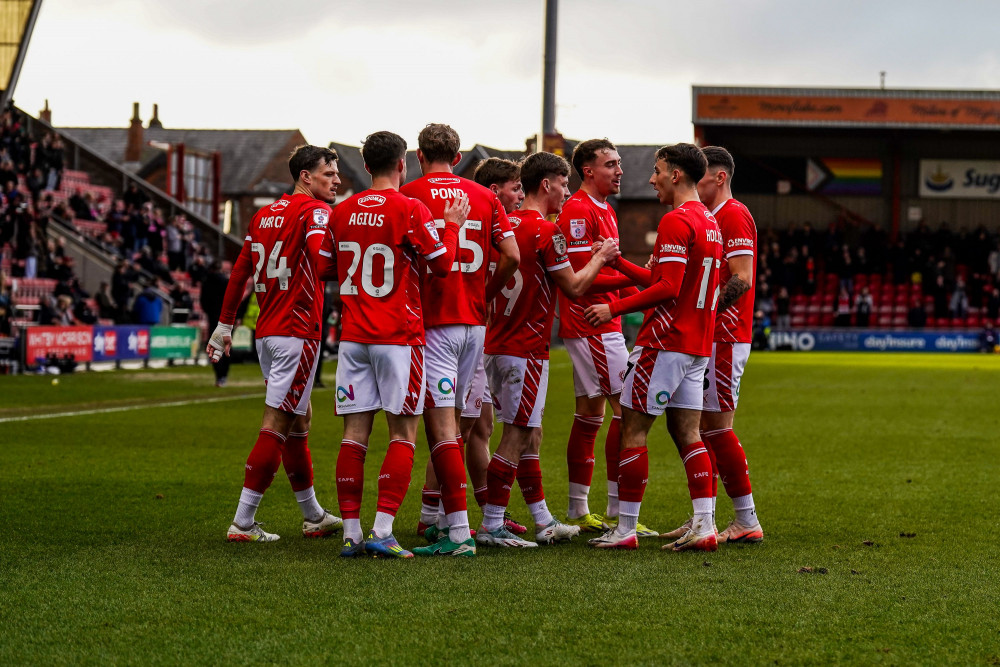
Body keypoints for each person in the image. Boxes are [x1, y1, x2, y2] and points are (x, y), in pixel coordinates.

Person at [331, 131, 467, 558]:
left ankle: (351, 533)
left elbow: (325, 268)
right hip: (398, 338)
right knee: (403, 435)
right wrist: (451, 226)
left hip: (353, 337)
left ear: (366, 166)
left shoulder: (341, 210)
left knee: (354, 435)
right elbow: (443, 265)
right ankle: (383, 530)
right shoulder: (410, 207)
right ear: (403, 164)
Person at [583, 143, 722, 552]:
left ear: (676, 175)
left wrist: (612, 307)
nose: (651, 178)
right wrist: (619, 264)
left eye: (658, 171)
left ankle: (625, 528)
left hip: (664, 341)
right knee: (689, 433)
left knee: (633, 429)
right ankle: (705, 525)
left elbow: (667, 287)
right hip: (697, 345)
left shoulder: (676, 221)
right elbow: (660, 277)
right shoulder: (710, 221)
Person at [478, 151, 620, 547]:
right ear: (547, 184)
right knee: (517, 434)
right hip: (525, 348)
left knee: (531, 434)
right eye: (563, 184)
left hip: (495, 342)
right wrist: (600, 257)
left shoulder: (501, 225)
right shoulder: (545, 231)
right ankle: (492, 523)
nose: (566, 192)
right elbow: (575, 287)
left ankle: (542, 519)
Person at [207, 144, 343, 543]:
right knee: (278, 423)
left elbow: (240, 273)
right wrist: (363, 263)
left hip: (269, 333)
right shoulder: (316, 212)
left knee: (300, 421)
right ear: (305, 176)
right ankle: (243, 522)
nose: (336, 180)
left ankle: (313, 515)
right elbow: (322, 261)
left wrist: (224, 325)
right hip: (297, 332)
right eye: (328, 173)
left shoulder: (263, 216)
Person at [399, 124, 519, 557]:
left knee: (442, 426)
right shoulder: (483, 195)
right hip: (474, 322)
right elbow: (513, 256)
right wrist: (484, 292)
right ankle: (436, 519)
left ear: (418, 154)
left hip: (432, 323)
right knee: (457, 424)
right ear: (458, 153)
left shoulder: (408, 193)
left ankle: (458, 532)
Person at [660, 146, 763, 545]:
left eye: (701, 176)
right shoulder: (713, 218)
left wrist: (703, 308)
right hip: (714, 334)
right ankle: (707, 517)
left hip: (726, 334)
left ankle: (746, 518)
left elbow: (743, 277)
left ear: (719, 178)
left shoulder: (733, 214)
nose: (694, 182)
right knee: (704, 427)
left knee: (716, 428)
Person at [555, 139, 655, 536]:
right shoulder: (578, 211)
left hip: (602, 322)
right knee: (627, 411)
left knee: (589, 415)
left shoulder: (606, 210)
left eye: (619, 163)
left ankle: (579, 508)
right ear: (588, 171)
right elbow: (581, 279)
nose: (619, 170)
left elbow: (610, 273)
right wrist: (642, 289)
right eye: (610, 164)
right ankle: (617, 510)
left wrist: (642, 299)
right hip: (592, 323)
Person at [201, 262, 232, 387]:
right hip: (226, 318)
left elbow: (203, 301)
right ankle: (224, 375)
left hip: (213, 318)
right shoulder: (226, 281)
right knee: (227, 347)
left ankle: (219, 376)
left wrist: (210, 312)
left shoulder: (206, 282)